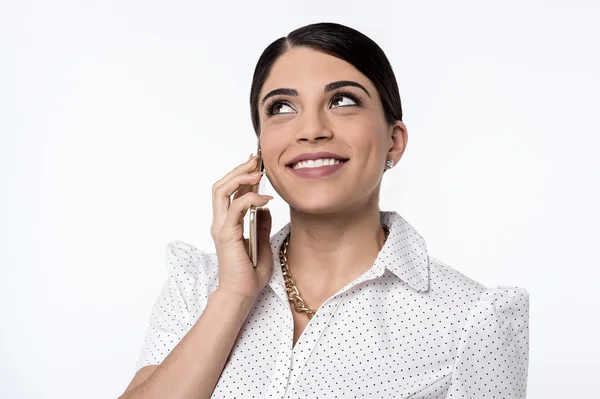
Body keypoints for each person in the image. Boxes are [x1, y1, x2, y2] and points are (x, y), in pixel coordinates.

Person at [119, 22, 529, 399]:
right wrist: (233, 296)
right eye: (281, 107)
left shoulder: (472, 320)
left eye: (343, 100)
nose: (311, 129)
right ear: (261, 149)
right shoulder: (198, 287)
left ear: (394, 141)